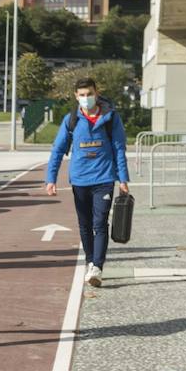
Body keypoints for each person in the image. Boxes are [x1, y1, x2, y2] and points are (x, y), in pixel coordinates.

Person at [44, 77, 130, 288]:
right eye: (81, 95)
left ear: (96, 92)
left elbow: (119, 148)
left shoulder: (111, 118)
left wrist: (123, 178)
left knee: (99, 223)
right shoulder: (71, 120)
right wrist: (50, 178)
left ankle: (97, 267)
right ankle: (90, 260)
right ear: (76, 96)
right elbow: (57, 149)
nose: (86, 98)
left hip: (104, 179)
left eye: (89, 94)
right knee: (85, 224)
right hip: (80, 180)